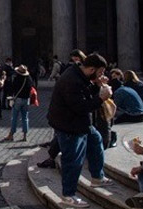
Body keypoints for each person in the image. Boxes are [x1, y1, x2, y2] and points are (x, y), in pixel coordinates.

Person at [47, 53, 114, 208]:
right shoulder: (72, 80)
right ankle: (68, 196)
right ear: (91, 69)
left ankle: (97, 177)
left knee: (96, 140)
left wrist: (97, 85)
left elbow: (86, 92)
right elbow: (81, 107)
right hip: (69, 126)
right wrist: (101, 98)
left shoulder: (79, 74)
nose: (102, 75)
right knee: (73, 161)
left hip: (80, 124)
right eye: (100, 72)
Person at [4, 64, 34, 142]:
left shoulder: (17, 78)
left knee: (14, 118)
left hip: (18, 99)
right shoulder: (29, 78)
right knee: (25, 118)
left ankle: (11, 134)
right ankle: (25, 136)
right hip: (26, 99)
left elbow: (12, 88)